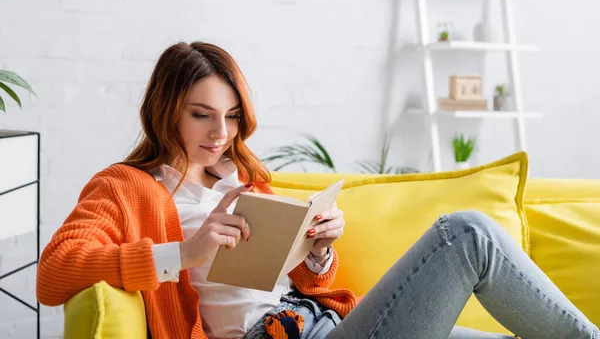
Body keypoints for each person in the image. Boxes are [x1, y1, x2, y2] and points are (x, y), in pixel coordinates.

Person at [36, 41, 599, 339]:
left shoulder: (244, 179)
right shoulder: (126, 188)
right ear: (166, 114)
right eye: (202, 115)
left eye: (232, 117)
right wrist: (185, 253)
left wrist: (319, 250)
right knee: (465, 234)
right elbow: (54, 272)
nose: (221, 134)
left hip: (319, 322)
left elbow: (301, 282)